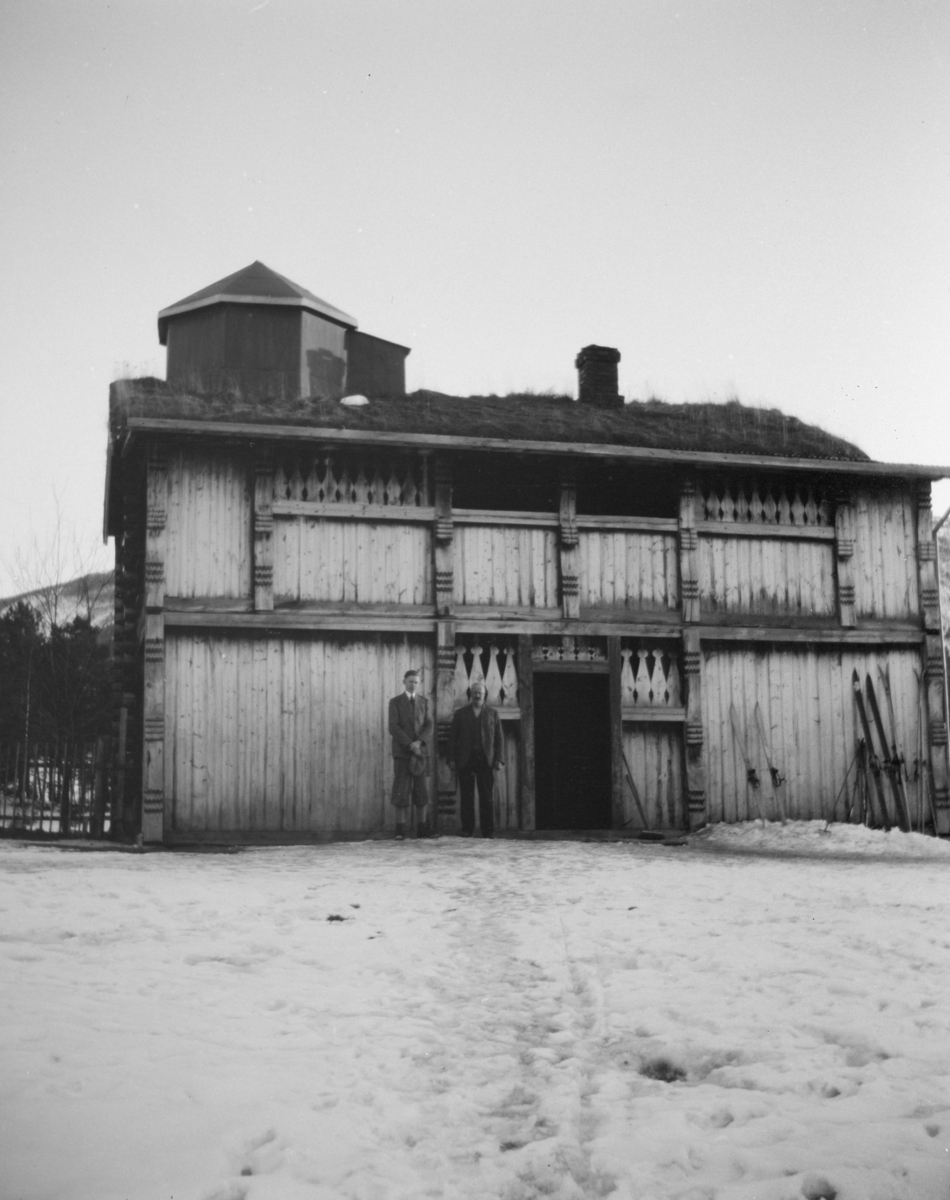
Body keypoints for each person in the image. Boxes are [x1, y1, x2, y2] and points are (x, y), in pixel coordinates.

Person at [448, 679, 504, 838]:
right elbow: (453, 738)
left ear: (485, 694)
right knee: (466, 795)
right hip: (465, 759)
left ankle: (488, 830)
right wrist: (451, 759)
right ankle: (467, 829)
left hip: (486, 759)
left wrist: (499, 759)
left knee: (486, 796)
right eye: (474, 693)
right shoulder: (460, 714)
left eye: (480, 693)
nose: (477, 695)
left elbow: (499, 738)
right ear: (470, 695)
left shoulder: (493, 713)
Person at [388, 669, 434, 839]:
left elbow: (429, 724)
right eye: (410, 681)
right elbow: (393, 726)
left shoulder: (424, 702)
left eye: (416, 682)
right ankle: (400, 830)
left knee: (422, 790)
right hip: (403, 753)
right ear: (404, 682)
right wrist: (409, 744)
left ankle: (422, 828)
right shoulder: (395, 702)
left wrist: (419, 743)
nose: (413, 685)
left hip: (421, 752)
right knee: (401, 790)